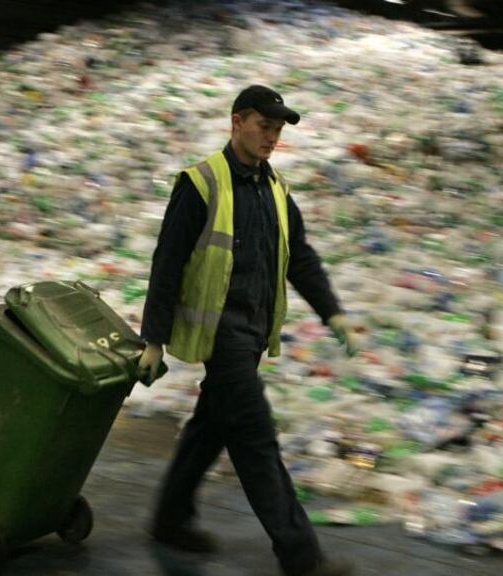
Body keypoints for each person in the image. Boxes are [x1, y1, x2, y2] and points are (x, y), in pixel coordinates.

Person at [138, 85, 360, 576]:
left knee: (211, 426)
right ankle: (301, 556)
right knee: (256, 438)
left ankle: (170, 519)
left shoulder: (276, 189)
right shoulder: (200, 183)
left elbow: (298, 256)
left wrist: (332, 312)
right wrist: (152, 339)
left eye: (278, 130)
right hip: (222, 334)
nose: (272, 137)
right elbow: (167, 262)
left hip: (254, 332)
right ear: (236, 122)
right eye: (265, 126)